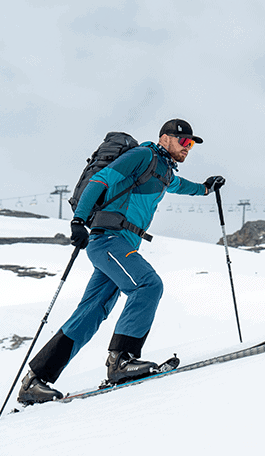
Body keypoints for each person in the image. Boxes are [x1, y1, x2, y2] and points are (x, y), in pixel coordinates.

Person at [18, 119, 226, 404]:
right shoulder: (144, 155)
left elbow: (180, 185)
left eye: (191, 144)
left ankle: (35, 380)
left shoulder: (164, 171)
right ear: (165, 138)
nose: (188, 147)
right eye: (184, 141)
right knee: (148, 285)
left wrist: (205, 188)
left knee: (91, 312)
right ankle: (122, 361)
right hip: (109, 240)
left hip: (122, 245)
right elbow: (100, 180)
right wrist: (78, 220)